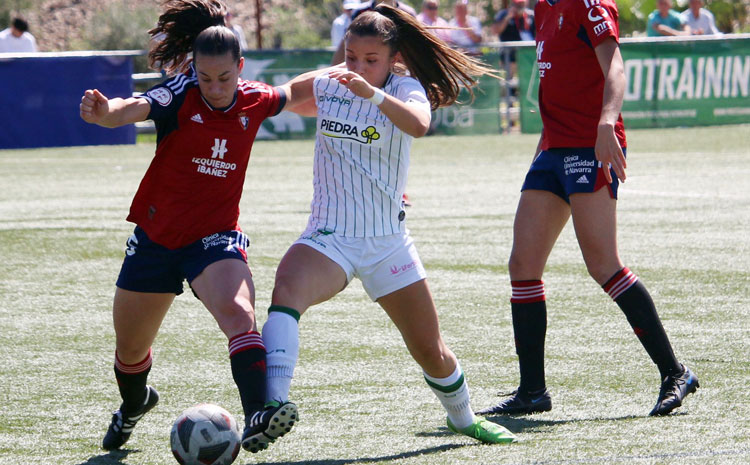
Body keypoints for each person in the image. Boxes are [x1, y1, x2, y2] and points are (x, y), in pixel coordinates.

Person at [258, 4, 516, 449]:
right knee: (285, 291)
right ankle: (272, 406)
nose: (356, 66)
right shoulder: (330, 81)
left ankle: (464, 420)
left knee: (429, 349)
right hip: (329, 236)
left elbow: (419, 124)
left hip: (387, 244)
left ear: (392, 59)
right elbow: (274, 97)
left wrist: (371, 93)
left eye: (369, 60)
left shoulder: (405, 87)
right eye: (350, 55)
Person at [78, 0, 323, 454]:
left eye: (224, 78)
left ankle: (258, 415)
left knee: (238, 312)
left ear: (240, 68)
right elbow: (133, 107)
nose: (214, 87)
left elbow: (293, 90)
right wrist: (106, 112)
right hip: (156, 240)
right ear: (193, 66)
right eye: (205, 77)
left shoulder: (254, 98)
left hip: (214, 239)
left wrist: (342, 74)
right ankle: (133, 405)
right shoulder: (179, 95)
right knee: (130, 353)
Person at [476, 0, 699, 418]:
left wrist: (606, 123)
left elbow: (614, 66)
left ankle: (675, 372)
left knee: (604, 266)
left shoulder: (589, 4)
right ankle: (533, 392)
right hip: (552, 148)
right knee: (522, 265)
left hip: (589, 147)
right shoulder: (543, 7)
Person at [331, 0, 416, 64]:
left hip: (398, 67)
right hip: (367, 65)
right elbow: (347, 42)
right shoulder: (360, 11)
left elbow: (412, 47)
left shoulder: (407, 13)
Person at [492, 0, 534, 77]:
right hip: (510, 55)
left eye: (522, 4)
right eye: (518, 4)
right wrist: (508, 17)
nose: (520, 6)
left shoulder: (530, 15)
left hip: (529, 54)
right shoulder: (503, 14)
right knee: (511, 76)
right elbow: (495, 30)